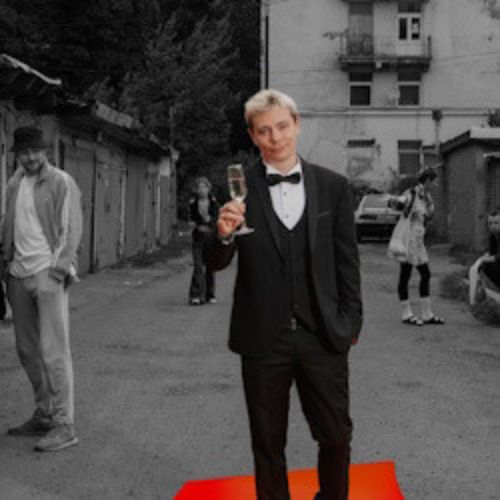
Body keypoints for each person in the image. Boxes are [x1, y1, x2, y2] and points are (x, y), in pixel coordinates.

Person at [207, 89, 362, 500]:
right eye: (264, 131)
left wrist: (350, 324)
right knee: (267, 443)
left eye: (281, 127)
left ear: (296, 125)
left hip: (322, 334)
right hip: (262, 338)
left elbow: (347, 263)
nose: (275, 138)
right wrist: (223, 234)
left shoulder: (333, 187)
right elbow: (215, 262)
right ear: (252, 136)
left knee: (336, 435)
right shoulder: (237, 190)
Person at [1, 126, 83, 452]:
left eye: (36, 151)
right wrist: (6, 268)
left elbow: (71, 229)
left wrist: (57, 271)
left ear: (45, 151)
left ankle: (65, 424)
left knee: (54, 351)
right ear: (17, 155)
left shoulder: (61, 182)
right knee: (27, 350)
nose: (31, 157)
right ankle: (45, 412)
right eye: (24, 152)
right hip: (17, 275)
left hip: (47, 274)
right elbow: (9, 227)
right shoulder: (14, 184)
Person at [390, 168, 445, 326]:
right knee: (405, 275)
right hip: (408, 239)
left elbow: (428, 216)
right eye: (434, 180)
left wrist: (429, 208)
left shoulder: (427, 197)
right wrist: (401, 204)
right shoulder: (412, 193)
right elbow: (398, 205)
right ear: (427, 180)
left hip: (419, 241)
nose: (436, 184)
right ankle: (406, 314)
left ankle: (427, 314)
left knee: (425, 274)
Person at [188, 177, 219, 305]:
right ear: (196, 190)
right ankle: (195, 295)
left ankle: (209, 294)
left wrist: (210, 220)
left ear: (208, 188)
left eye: (204, 187)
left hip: (211, 237)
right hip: (198, 237)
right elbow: (191, 218)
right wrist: (192, 223)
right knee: (198, 266)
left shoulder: (214, 202)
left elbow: (218, 219)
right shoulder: (193, 203)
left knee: (210, 266)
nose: (201, 190)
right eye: (199, 187)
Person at [469, 209, 500, 304]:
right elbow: (492, 252)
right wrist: (485, 257)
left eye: (496, 223)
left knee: (487, 264)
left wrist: (487, 259)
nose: (493, 226)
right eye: (490, 223)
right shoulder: (493, 236)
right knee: (486, 266)